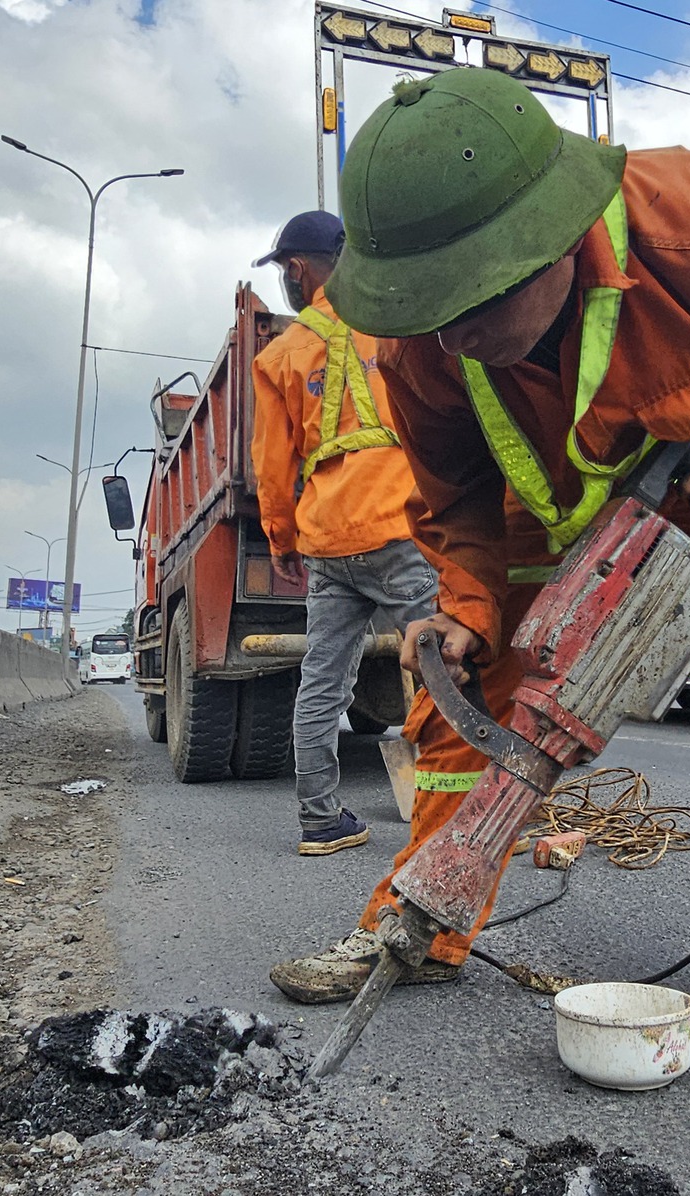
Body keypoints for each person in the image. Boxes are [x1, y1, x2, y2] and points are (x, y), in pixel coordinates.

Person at [268, 68, 690, 1040]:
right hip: (541, 512)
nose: (457, 332)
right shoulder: (421, 349)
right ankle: (417, 928)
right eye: (432, 306)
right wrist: (464, 602)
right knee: (457, 687)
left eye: (476, 298)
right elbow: (452, 495)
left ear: (551, 235)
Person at [249, 210, 445, 857]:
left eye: (284, 272)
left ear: (299, 271)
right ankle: (469, 809)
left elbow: (272, 468)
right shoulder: (398, 325)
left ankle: (320, 821)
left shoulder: (280, 356)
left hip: (329, 541)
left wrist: (280, 540)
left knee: (323, 683)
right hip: (399, 524)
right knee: (445, 668)